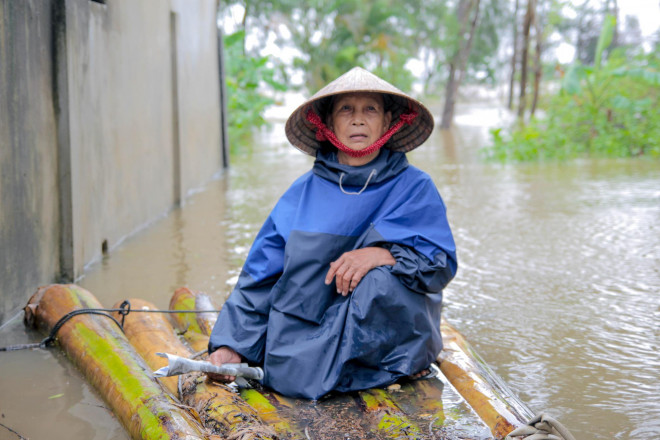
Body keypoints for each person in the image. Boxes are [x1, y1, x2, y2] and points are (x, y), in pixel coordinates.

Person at [208, 67, 458, 400]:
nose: (358, 120)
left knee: (379, 282)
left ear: (387, 121)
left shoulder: (415, 188)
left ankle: (379, 368)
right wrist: (230, 344)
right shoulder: (300, 194)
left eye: (370, 109)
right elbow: (260, 276)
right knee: (285, 354)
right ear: (327, 125)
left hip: (384, 344)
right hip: (305, 336)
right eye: (346, 110)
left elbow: (439, 264)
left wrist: (384, 255)